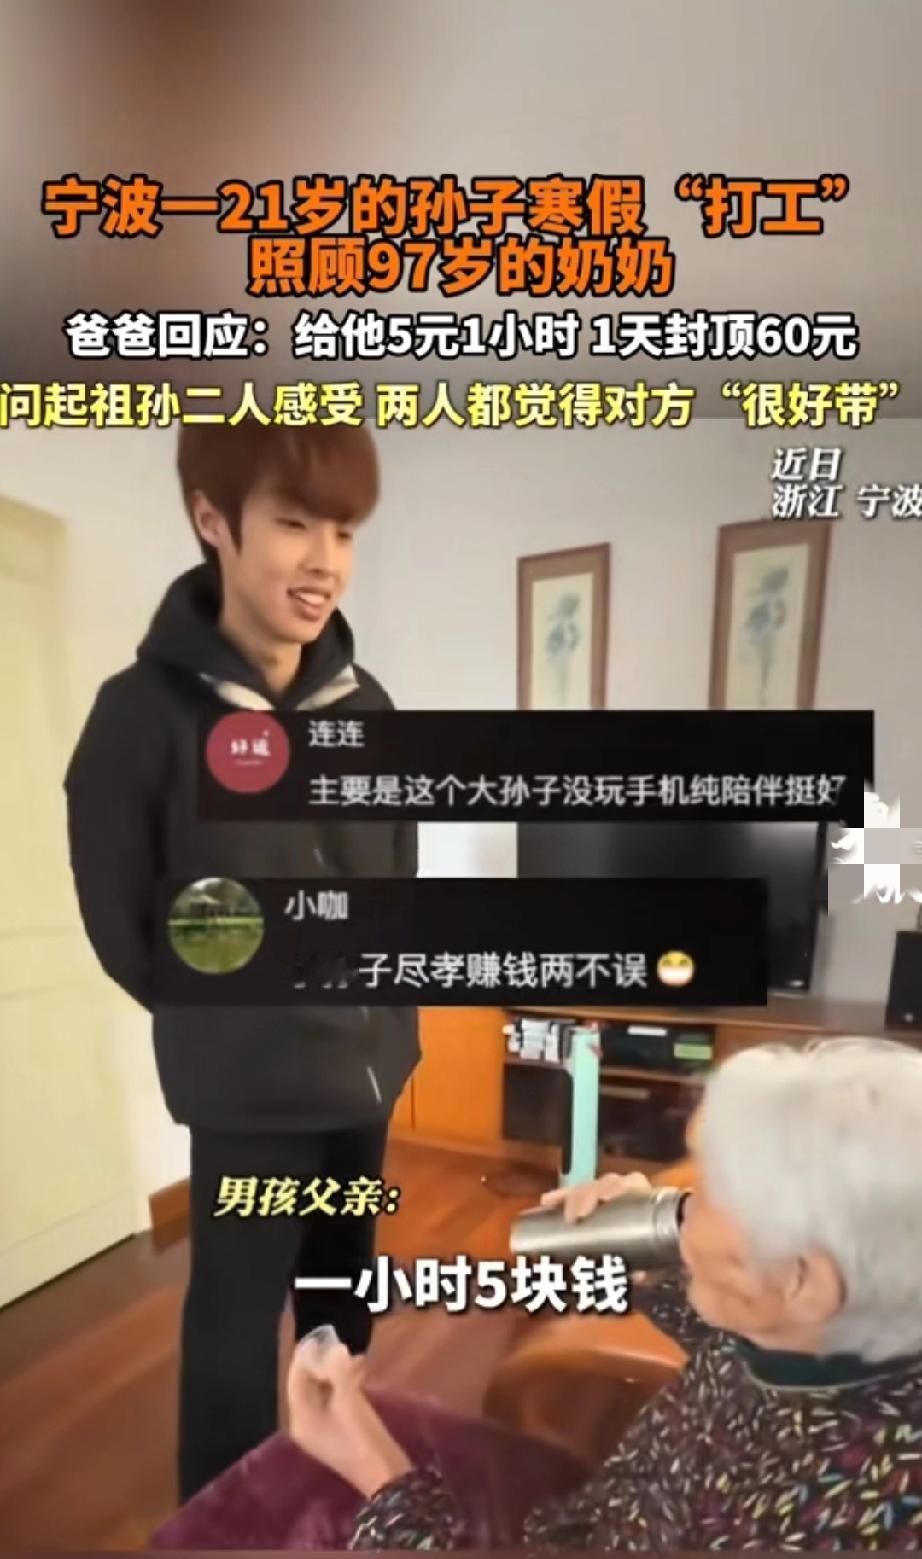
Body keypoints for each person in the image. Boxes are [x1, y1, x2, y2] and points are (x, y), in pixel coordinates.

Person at [64, 423, 419, 1501]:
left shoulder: (369, 707)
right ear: (213, 520)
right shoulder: (140, 717)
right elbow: (123, 920)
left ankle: (334, 1464)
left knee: (342, 1292)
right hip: (249, 1088)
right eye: (295, 524)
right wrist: (226, 1017)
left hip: (365, 1072)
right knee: (233, 1320)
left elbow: (394, 875)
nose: (325, 561)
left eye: (344, 531)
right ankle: (222, 1519)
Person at [285, 1036, 922, 1549]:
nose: (678, 1203)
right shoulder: (843, 1341)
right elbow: (738, 1349)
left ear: (803, 1281)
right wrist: (649, 1259)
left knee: (288, 1480)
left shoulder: (805, 1518)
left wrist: (378, 1474)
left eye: (710, 1192)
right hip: (603, 1505)